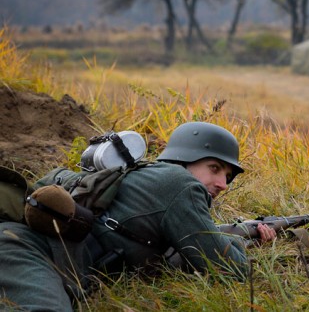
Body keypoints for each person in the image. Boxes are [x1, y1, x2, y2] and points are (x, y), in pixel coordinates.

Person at [0, 121, 276, 311]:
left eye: (227, 176)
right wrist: (244, 242)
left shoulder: (143, 179)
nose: (222, 183)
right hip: (25, 250)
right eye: (214, 168)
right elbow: (230, 269)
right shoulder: (179, 183)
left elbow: (179, 255)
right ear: (183, 159)